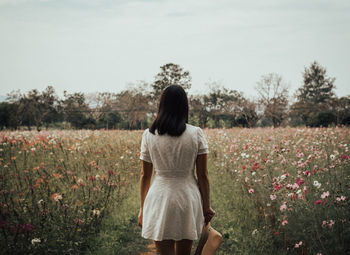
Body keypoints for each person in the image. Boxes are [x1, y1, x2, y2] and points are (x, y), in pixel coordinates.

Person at [138, 85, 216, 255]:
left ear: (162, 105)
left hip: (159, 197)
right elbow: (203, 175)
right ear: (184, 106)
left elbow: (145, 175)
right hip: (187, 198)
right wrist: (206, 206)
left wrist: (142, 209)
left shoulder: (149, 135)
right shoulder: (196, 133)